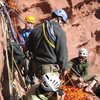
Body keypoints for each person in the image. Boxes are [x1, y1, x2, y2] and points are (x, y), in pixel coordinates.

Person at [26, 9, 69, 81]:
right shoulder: (60, 32)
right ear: (59, 19)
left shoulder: (36, 29)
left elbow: (27, 47)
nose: (62, 24)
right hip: (48, 69)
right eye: (63, 22)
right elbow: (62, 52)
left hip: (35, 67)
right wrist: (64, 68)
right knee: (52, 90)